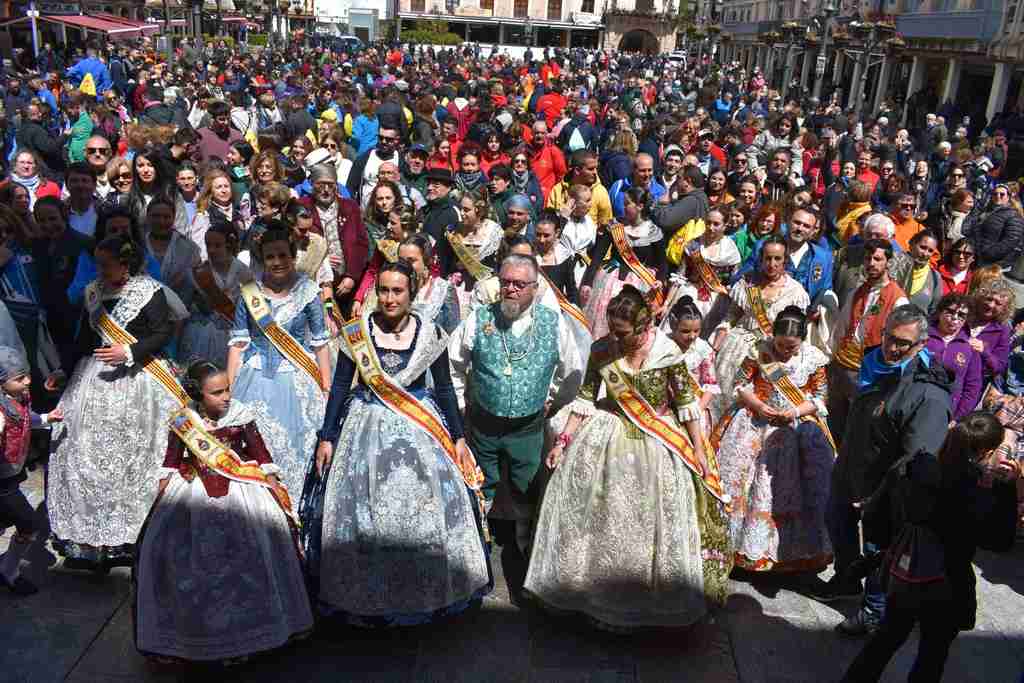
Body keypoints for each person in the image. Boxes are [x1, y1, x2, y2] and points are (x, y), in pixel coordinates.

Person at [525, 286, 729, 629]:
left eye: (623, 333)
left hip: (657, 437)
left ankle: (644, 601)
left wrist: (697, 449)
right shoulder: (603, 349)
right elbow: (586, 399)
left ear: (644, 325)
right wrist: (563, 441)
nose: (616, 339)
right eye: (612, 330)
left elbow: (686, 405)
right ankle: (586, 594)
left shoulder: (667, 353)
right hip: (607, 430)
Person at [301, 261, 490, 625]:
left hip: (421, 429)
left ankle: (424, 593)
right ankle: (367, 596)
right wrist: (327, 436)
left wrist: (459, 437)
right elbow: (341, 386)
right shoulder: (357, 333)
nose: (389, 299)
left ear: (412, 292)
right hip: (365, 427)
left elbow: (446, 388)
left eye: (397, 291)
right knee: (363, 514)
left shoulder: (431, 333)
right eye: (383, 290)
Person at [134, 360, 313, 663]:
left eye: (227, 389)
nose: (226, 397)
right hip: (194, 493)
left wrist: (274, 489)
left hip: (242, 490)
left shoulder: (241, 415)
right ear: (198, 395)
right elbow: (171, 458)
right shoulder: (184, 421)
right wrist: (161, 496)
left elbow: (260, 453)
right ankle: (198, 637)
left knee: (255, 554)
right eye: (216, 393)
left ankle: (257, 630)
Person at [841, 412, 1020, 681]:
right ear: (987, 451)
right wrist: (1006, 488)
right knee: (931, 656)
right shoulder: (975, 492)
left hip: (905, 572)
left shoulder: (916, 466)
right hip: (947, 584)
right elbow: (1000, 541)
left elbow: (878, 515)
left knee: (883, 643)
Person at [448, 253, 584, 604]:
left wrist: (552, 400)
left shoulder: (554, 323)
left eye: (519, 284)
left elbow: (572, 373)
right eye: (505, 281)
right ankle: (476, 559)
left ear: (535, 289)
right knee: (480, 488)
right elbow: (454, 365)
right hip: (483, 427)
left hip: (528, 429)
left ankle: (525, 561)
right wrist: (464, 407)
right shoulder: (479, 320)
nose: (510, 289)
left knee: (527, 491)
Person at [48, 235, 182, 571]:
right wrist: (64, 370)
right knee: (86, 454)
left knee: (130, 457)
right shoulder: (94, 292)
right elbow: (84, 337)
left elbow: (163, 331)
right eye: (98, 263)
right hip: (93, 381)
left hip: (138, 381)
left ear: (125, 263)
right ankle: (89, 543)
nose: (100, 270)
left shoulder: (148, 290)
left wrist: (130, 351)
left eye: (106, 263)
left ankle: (130, 539)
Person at [818, 305, 953, 634]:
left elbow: (916, 455)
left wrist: (877, 496)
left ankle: (874, 610)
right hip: (850, 470)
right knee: (837, 524)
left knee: (878, 551)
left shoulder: (928, 393)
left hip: (885, 490)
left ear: (921, 344)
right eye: (888, 337)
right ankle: (848, 580)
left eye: (902, 343)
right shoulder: (875, 363)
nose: (891, 348)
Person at [714, 305, 834, 574]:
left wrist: (794, 411)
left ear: (803, 340)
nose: (785, 352)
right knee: (746, 484)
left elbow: (820, 398)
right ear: (773, 337)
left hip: (796, 426)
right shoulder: (760, 352)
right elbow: (739, 385)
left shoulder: (813, 359)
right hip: (754, 421)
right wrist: (758, 405)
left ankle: (790, 555)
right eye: (780, 345)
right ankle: (738, 549)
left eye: (791, 347)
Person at [227, 228, 332, 498]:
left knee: (297, 446)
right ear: (262, 259)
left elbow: (320, 344)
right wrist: (229, 388)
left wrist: (326, 387)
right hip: (254, 377)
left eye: (283, 255)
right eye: (270, 256)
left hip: (297, 379)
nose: (278, 261)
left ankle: (295, 504)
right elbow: (238, 344)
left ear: (293, 256)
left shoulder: (307, 291)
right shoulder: (249, 293)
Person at [713, 235, 810, 411]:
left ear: (785, 260)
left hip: (773, 352)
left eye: (777, 258)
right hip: (737, 348)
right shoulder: (747, 282)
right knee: (727, 400)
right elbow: (732, 315)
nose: (772, 264)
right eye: (768, 258)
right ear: (761, 258)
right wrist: (717, 343)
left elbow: (797, 331)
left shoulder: (796, 292)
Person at [828, 239, 909, 441]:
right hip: (842, 367)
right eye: (867, 258)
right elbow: (841, 328)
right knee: (834, 423)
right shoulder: (858, 291)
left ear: (888, 262)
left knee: (857, 427)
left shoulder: (898, 299)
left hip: (869, 374)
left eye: (877, 259)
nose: (871, 263)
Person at [0, 347, 62, 595]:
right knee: (29, 524)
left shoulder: (20, 398)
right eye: (19, 378)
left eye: (26, 374)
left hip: (13, 475)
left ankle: (7, 570)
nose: (27, 380)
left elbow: (28, 419)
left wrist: (47, 419)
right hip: (2, 482)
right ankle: (9, 572)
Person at [580, 187, 665, 340]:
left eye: (627, 204)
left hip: (640, 284)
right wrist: (587, 282)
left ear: (640, 206)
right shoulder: (615, 226)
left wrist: (659, 280)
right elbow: (597, 257)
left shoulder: (654, 232)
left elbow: (662, 263)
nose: (623, 207)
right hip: (610, 281)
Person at [661, 206, 740, 339]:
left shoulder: (730, 250)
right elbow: (680, 275)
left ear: (725, 225)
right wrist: (666, 303)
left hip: (716, 300)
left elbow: (734, 281)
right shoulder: (693, 245)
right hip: (689, 293)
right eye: (708, 222)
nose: (710, 227)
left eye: (716, 224)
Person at [179, 222, 252, 366]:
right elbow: (183, 309)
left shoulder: (244, 272)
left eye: (217, 245)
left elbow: (254, 310)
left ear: (229, 245)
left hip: (233, 337)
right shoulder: (197, 273)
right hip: (199, 336)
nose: (211, 250)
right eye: (208, 245)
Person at [926, 294, 983, 421]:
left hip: (945, 411)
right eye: (950, 312)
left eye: (961, 315)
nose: (954, 318)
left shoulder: (970, 348)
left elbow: (972, 388)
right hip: (915, 399)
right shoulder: (923, 336)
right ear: (940, 311)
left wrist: (956, 418)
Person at [966, 277, 1014, 387]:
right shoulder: (965, 312)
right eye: (989, 299)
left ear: (1005, 309)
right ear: (980, 297)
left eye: (998, 303)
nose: (991, 305)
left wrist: (984, 351)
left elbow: (999, 367)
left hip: (971, 382)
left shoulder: (1002, 330)